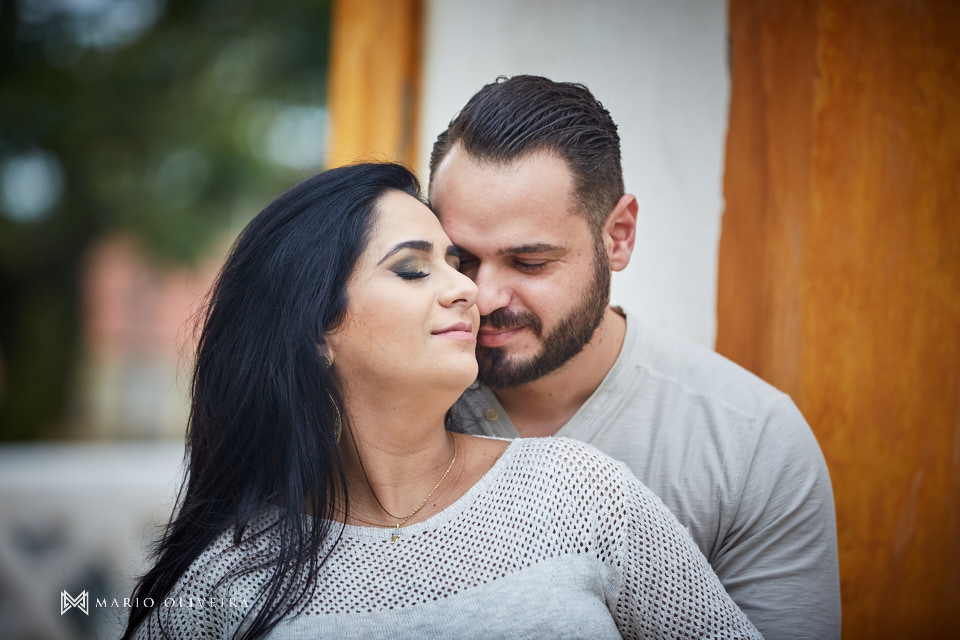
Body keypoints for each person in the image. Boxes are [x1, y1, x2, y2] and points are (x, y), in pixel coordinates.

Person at [121, 162, 761, 639]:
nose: (468, 290)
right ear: (315, 330)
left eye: (453, 263)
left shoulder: (581, 492)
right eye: (412, 269)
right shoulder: (228, 577)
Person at [428, 75, 841, 640]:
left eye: (529, 263)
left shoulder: (751, 443)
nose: (484, 297)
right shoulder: (388, 405)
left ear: (618, 236)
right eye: (462, 259)